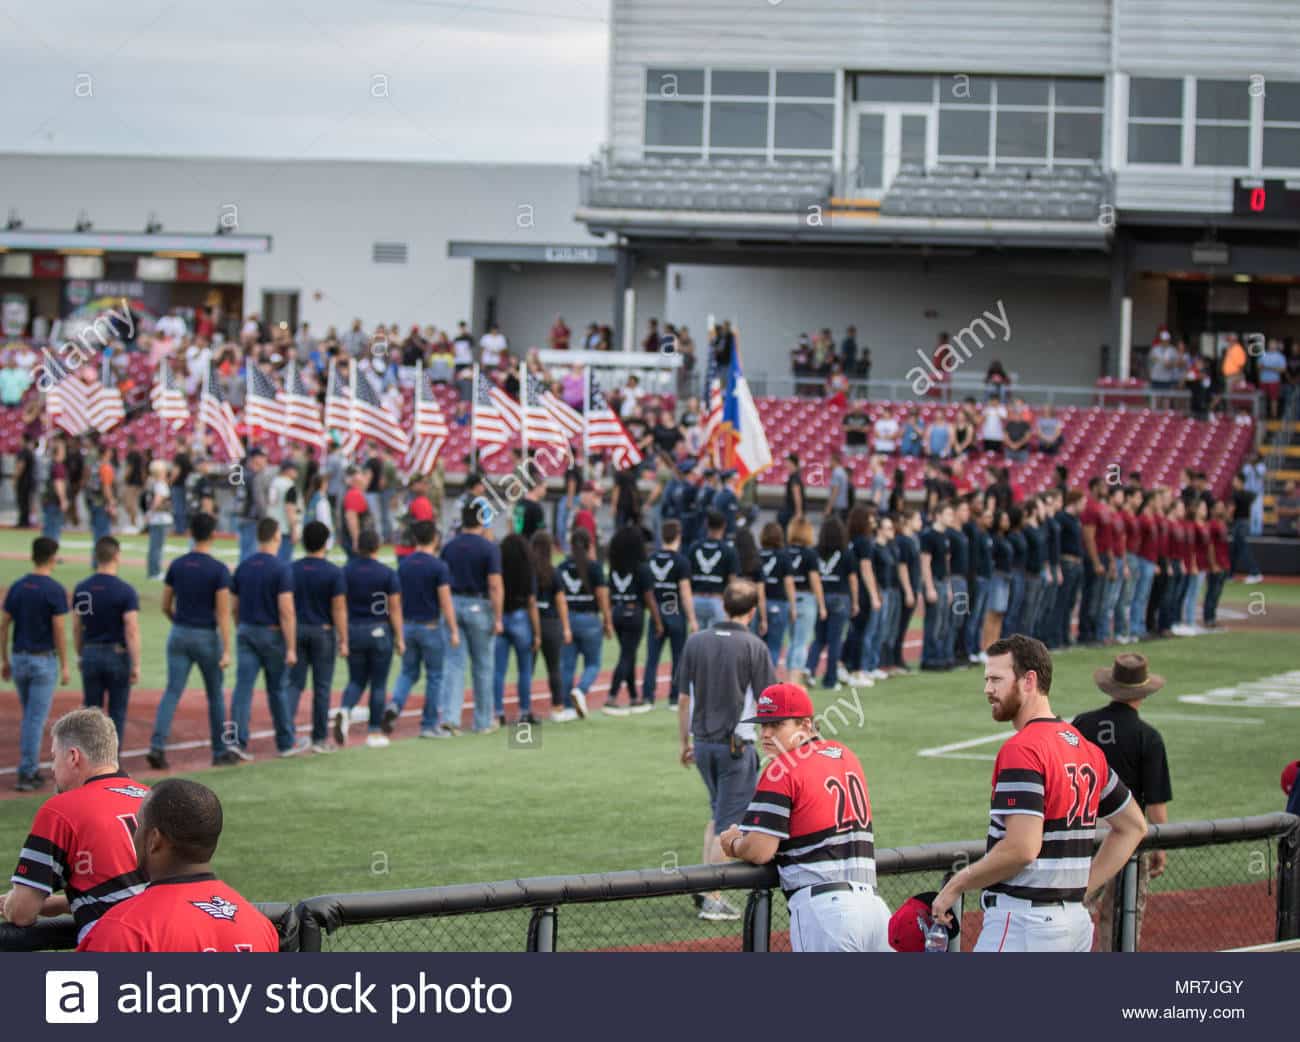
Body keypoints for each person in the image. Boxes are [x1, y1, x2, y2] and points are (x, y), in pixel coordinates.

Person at [930, 635, 1148, 951]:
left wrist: (957, 884)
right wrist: (1080, 889)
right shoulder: (1086, 749)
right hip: (1074, 924)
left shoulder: (1022, 749)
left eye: (996, 679)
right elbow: (1133, 827)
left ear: (1029, 680)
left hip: (1025, 926)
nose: (988, 690)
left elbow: (1022, 848)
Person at [720, 682, 891, 951]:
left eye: (776, 725)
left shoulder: (782, 770)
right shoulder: (846, 756)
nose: (765, 734)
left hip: (828, 915)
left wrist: (733, 844)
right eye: (762, 725)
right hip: (875, 912)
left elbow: (760, 850)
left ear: (806, 725)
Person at [77, 778, 279, 952]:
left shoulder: (123, 929)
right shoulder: (259, 926)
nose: (135, 834)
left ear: (154, 839)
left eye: (139, 826)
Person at [676, 579, 776, 922]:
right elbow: (768, 703)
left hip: (703, 745)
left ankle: (705, 886)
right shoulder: (754, 647)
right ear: (752, 610)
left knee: (718, 814)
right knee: (731, 822)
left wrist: (684, 743)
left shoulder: (696, 642)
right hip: (736, 747)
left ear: (723, 604)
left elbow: (683, 698)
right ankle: (712, 896)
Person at [1, 708, 148, 941]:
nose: (51, 768)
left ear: (73, 757)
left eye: (53, 757)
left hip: (115, 951)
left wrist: (11, 903)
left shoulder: (61, 810)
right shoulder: (152, 797)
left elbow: (21, 913)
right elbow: (134, 894)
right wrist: (64, 903)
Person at [1073, 654, 1172, 951]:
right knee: (1122, 918)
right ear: (1142, 693)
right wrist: (1160, 846)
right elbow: (1155, 805)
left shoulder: (1082, 724)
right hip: (1125, 836)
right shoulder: (1149, 737)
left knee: (1070, 907)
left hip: (1079, 829)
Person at [148, 514, 237, 770]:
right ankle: (219, 751)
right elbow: (222, 613)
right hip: (207, 636)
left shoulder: (177, 565)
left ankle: (157, 745)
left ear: (191, 533)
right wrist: (227, 649)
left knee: (172, 691)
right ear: (213, 535)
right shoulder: (218, 569)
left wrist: (177, 621)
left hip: (180, 632)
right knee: (215, 696)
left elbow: (166, 604)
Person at [228, 517, 306, 761]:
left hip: (247, 630)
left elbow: (234, 606)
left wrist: (240, 627)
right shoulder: (282, 569)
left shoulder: (244, 566)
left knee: (243, 689)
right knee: (277, 690)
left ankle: (236, 741)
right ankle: (285, 741)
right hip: (272, 634)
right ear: (276, 537)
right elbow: (287, 611)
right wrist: (292, 647)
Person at [2, 537, 70, 791]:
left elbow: (4, 625)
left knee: (30, 716)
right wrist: (64, 665)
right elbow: (59, 631)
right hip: (43, 660)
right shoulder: (53, 589)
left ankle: (29, 768)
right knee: (34, 719)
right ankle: (27, 772)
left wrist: (5, 659)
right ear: (53, 558)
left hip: (19, 658)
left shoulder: (18, 586)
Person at [334, 530, 404, 747]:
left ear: (358, 547)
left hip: (355, 629)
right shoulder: (387, 573)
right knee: (379, 683)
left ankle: (345, 710)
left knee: (356, 679)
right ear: (378, 547)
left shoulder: (345, 572)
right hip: (380, 631)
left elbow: (340, 607)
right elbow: (394, 609)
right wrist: (400, 637)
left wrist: (343, 638)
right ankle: (374, 731)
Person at [283, 521, 348, 754]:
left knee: (294, 684)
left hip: (297, 629)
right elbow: (339, 609)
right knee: (322, 687)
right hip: (323, 631)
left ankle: (287, 734)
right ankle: (320, 738)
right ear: (326, 542)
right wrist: (344, 639)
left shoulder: (290, 569)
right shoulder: (334, 572)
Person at [441, 501, 504, 733]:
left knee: (454, 664)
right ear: (481, 520)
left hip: (454, 603)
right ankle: (483, 721)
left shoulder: (449, 547)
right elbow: (495, 585)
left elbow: (442, 582)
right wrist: (498, 617)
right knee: (483, 666)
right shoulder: (489, 548)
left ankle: (450, 718)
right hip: (480, 605)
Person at [73, 537, 140, 745]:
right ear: (117, 556)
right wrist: (136, 663)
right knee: (117, 713)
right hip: (117, 655)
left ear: (96, 557)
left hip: (90, 652)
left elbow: (77, 626)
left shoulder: (82, 588)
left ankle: (90, 762)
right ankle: (112, 763)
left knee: (91, 715)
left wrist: (80, 653)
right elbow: (131, 628)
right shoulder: (125, 590)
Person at [604, 525, 663, 715]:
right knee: (627, 655)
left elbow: (610, 592)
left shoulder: (614, 568)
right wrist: (658, 621)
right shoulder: (642, 568)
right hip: (634, 613)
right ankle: (612, 695)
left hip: (617, 612)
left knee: (628, 653)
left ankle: (632, 695)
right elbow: (649, 597)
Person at [556, 527, 611, 721]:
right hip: (589, 619)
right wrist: (607, 621)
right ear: (590, 545)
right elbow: (602, 596)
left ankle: (568, 707)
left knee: (567, 666)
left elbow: (558, 597)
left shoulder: (562, 568)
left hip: (567, 618)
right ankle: (581, 690)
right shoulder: (594, 567)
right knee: (593, 663)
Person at [642, 519, 696, 710]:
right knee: (678, 657)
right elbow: (685, 592)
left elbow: (645, 589)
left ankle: (648, 696)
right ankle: (674, 697)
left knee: (652, 657)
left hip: (656, 613)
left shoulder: (651, 559)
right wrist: (692, 619)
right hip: (675, 614)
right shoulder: (682, 561)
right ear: (678, 537)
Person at [805, 516, 857, 691]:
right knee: (835, 641)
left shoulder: (815, 552)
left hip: (820, 596)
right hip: (840, 597)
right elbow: (852, 579)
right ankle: (830, 679)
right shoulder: (846, 553)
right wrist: (855, 601)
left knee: (819, 638)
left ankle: (810, 670)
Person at [491, 533, 538, 726]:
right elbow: (532, 601)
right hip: (521, 616)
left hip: (501, 616)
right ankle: (524, 710)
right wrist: (537, 633)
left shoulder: (497, 567)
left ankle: (498, 711)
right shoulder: (528, 569)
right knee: (525, 670)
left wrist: (497, 618)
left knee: (498, 670)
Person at [530, 531, 572, 719]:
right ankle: (557, 706)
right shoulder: (553, 572)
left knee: (527, 668)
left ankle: (525, 705)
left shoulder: (527, 572)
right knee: (554, 668)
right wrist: (566, 627)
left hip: (531, 623)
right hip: (550, 623)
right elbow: (561, 601)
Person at [687, 510, 738, 631]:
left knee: (697, 644)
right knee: (716, 643)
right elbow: (732, 582)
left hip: (696, 600)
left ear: (706, 524)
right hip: (718, 600)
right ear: (724, 525)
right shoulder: (729, 550)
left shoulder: (694, 547)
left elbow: (687, 577)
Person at [757, 521, 797, 671]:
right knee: (774, 646)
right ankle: (769, 680)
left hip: (758, 603)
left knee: (757, 645)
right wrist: (793, 607)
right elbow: (789, 584)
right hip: (779, 603)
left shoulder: (757, 555)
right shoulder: (784, 556)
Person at [919, 501, 952, 670]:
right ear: (938, 515)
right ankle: (928, 658)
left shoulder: (945, 536)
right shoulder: (928, 536)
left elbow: (946, 563)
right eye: (948, 514)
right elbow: (925, 563)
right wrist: (930, 587)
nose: (950, 517)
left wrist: (949, 587)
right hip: (934, 582)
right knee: (933, 622)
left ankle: (939, 655)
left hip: (943, 582)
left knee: (943, 622)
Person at [890, 510, 921, 673]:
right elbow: (902, 567)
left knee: (902, 626)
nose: (920, 522)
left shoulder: (911, 540)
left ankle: (897, 657)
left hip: (911, 587)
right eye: (917, 518)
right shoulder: (904, 541)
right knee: (899, 626)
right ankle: (895, 659)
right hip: (905, 589)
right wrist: (909, 590)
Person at [267, 461, 300, 565]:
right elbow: (290, 508)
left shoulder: (273, 482)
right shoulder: (289, 485)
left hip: (271, 524)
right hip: (284, 527)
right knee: (284, 562)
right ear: (288, 470)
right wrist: (294, 529)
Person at [144, 460, 173, 580]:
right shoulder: (161, 484)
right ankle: (155, 572)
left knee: (154, 546)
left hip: (156, 519)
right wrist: (151, 512)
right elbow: (157, 500)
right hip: (160, 519)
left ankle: (152, 571)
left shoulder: (152, 483)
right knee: (157, 547)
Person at [339, 465, 374, 561]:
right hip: (356, 540)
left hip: (354, 539)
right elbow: (351, 517)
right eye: (362, 475)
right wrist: (356, 540)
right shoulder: (354, 494)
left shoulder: (355, 492)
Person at [777, 453, 804, 531]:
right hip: (790, 511)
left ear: (793, 463)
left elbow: (797, 495)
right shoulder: (794, 476)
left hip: (791, 512)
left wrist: (799, 512)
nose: (786, 465)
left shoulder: (794, 478)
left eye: (788, 463)